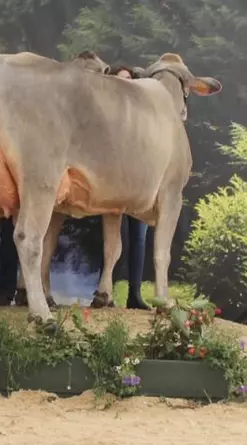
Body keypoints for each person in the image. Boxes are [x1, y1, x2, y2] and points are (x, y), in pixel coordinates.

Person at [107, 66, 150, 311]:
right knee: (110, 239)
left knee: (138, 239)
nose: (123, 83)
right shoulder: (101, 111)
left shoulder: (141, 113)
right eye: (118, 79)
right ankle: (104, 292)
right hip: (109, 185)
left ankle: (134, 294)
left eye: (127, 79)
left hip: (137, 184)